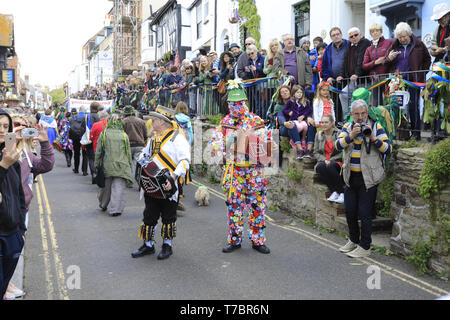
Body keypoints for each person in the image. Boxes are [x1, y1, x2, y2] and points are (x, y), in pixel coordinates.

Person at [209, 80, 273, 255]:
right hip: (234, 170)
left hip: (255, 170)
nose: (236, 107)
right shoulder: (225, 122)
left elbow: (267, 143)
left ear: (245, 103)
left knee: (257, 205)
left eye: (239, 103)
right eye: (232, 104)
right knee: (234, 205)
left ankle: (258, 239)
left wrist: (249, 141)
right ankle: (235, 239)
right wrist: (223, 149)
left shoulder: (256, 120)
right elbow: (214, 144)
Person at [132, 106, 191, 260]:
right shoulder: (154, 138)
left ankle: (167, 245)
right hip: (151, 185)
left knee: (168, 217)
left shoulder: (177, 138)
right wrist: (141, 160)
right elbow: (144, 155)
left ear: (162, 122)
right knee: (149, 215)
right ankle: (148, 245)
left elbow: (185, 161)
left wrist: (173, 177)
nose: (151, 122)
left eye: (155, 119)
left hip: (169, 186)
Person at [336, 99, 392, 258]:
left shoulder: (376, 126)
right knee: (349, 211)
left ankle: (365, 246)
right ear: (352, 114)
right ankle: (353, 240)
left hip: (369, 178)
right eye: (356, 114)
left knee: (365, 213)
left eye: (363, 113)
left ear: (367, 113)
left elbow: (388, 149)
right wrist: (351, 136)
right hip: (350, 176)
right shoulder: (347, 127)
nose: (360, 117)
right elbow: (338, 145)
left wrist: (374, 138)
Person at [384, 22, 431, 141]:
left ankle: (416, 134)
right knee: (399, 107)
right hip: (398, 81)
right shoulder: (395, 46)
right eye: (400, 37)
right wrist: (390, 58)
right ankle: (400, 133)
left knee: (413, 106)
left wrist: (421, 73)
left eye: (404, 36)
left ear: (409, 34)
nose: (402, 39)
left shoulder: (418, 44)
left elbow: (427, 59)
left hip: (413, 81)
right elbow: (386, 61)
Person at [0, 109, 26, 299]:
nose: (2, 130)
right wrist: (3, 166)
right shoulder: (8, 160)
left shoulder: (13, 158)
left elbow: (19, 195)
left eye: (6, 126)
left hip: (13, 234)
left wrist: (21, 231)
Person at [95, 113, 133, 217]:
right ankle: (115, 209)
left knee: (106, 187)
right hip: (122, 164)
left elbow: (99, 151)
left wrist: (96, 164)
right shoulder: (124, 135)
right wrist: (129, 164)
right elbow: (128, 152)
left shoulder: (104, 134)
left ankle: (103, 204)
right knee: (119, 187)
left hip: (108, 164)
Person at [336, 27, 371, 120]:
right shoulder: (350, 45)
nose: (354, 37)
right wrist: (341, 75)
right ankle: (348, 118)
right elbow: (345, 61)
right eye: (351, 36)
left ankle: (366, 121)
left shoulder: (365, 43)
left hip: (363, 79)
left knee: (362, 100)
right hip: (352, 80)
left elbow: (361, 60)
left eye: (356, 35)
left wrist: (357, 74)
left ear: (360, 35)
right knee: (343, 95)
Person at [313, 114, 344, 204]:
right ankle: (334, 191)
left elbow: (342, 152)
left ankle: (342, 192)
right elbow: (315, 152)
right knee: (320, 167)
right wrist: (324, 159)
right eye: (322, 122)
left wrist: (331, 160)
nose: (323, 124)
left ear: (332, 123)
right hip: (324, 161)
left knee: (330, 166)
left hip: (337, 161)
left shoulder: (339, 134)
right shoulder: (318, 135)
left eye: (326, 122)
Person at [282, 85, 313, 159]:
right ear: (293, 93)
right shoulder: (290, 101)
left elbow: (309, 110)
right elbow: (284, 110)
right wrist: (290, 113)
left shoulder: (305, 101)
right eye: (297, 92)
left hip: (302, 120)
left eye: (301, 92)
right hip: (294, 120)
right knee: (294, 126)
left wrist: (303, 116)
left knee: (305, 126)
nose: (299, 94)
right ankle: (299, 147)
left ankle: (303, 139)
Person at [122, 105, 148, 179]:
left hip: (128, 145)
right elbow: (145, 134)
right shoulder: (141, 121)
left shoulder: (124, 121)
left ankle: (129, 179)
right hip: (140, 144)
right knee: (138, 163)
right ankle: (139, 178)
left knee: (128, 163)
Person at [81, 102, 101, 183]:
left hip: (89, 139)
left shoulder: (86, 116)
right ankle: (98, 174)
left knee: (91, 159)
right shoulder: (99, 116)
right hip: (98, 140)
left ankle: (93, 175)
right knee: (99, 158)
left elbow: (82, 129)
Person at [69, 107, 88, 175]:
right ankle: (84, 171)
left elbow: (70, 126)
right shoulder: (86, 117)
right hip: (84, 137)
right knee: (85, 154)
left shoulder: (73, 117)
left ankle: (76, 169)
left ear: (79, 111)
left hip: (75, 137)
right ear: (84, 111)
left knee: (76, 153)